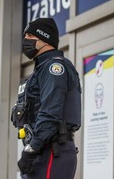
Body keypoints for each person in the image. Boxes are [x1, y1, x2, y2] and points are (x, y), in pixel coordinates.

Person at [11, 17, 82, 179]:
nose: (25, 40)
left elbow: (50, 113)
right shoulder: (41, 70)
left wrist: (31, 150)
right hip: (43, 150)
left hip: (52, 151)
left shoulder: (53, 68)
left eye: (30, 36)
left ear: (45, 38)